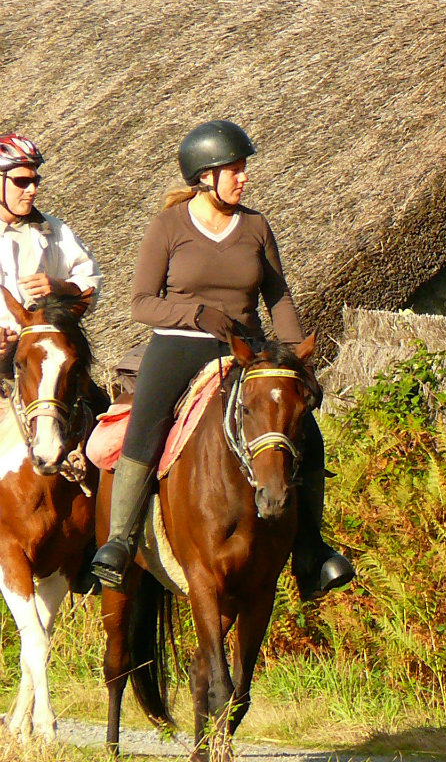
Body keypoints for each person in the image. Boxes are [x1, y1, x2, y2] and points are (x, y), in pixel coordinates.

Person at [90, 121, 355, 599]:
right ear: (205, 176)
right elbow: (140, 303)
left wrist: (297, 360)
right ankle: (120, 541)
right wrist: (194, 312)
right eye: (234, 170)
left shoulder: (255, 226)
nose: (244, 178)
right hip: (178, 342)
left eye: (243, 169)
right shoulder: (168, 226)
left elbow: (278, 297)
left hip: (244, 349)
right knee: (146, 423)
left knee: (305, 433)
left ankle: (311, 549)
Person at [0, 136, 102, 334]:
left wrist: (60, 287)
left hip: (42, 353)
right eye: (22, 182)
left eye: (35, 181)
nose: (32, 190)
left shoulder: (54, 230)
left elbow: (92, 283)